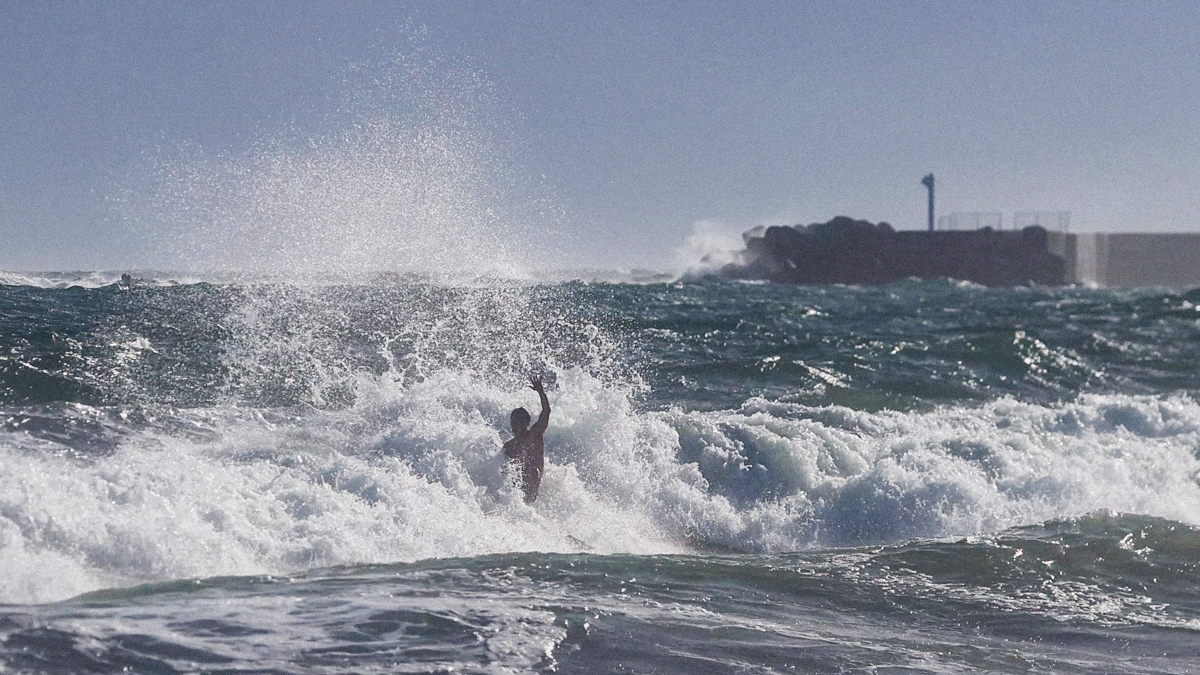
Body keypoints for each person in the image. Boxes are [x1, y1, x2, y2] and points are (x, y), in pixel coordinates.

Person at [503, 374, 550, 504]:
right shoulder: (509, 446)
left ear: (527, 423)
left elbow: (546, 411)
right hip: (518, 493)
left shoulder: (535, 435)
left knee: (532, 471)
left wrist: (541, 392)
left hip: (533, 486)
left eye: (520, 422)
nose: (517, 425)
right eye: (515, 422)